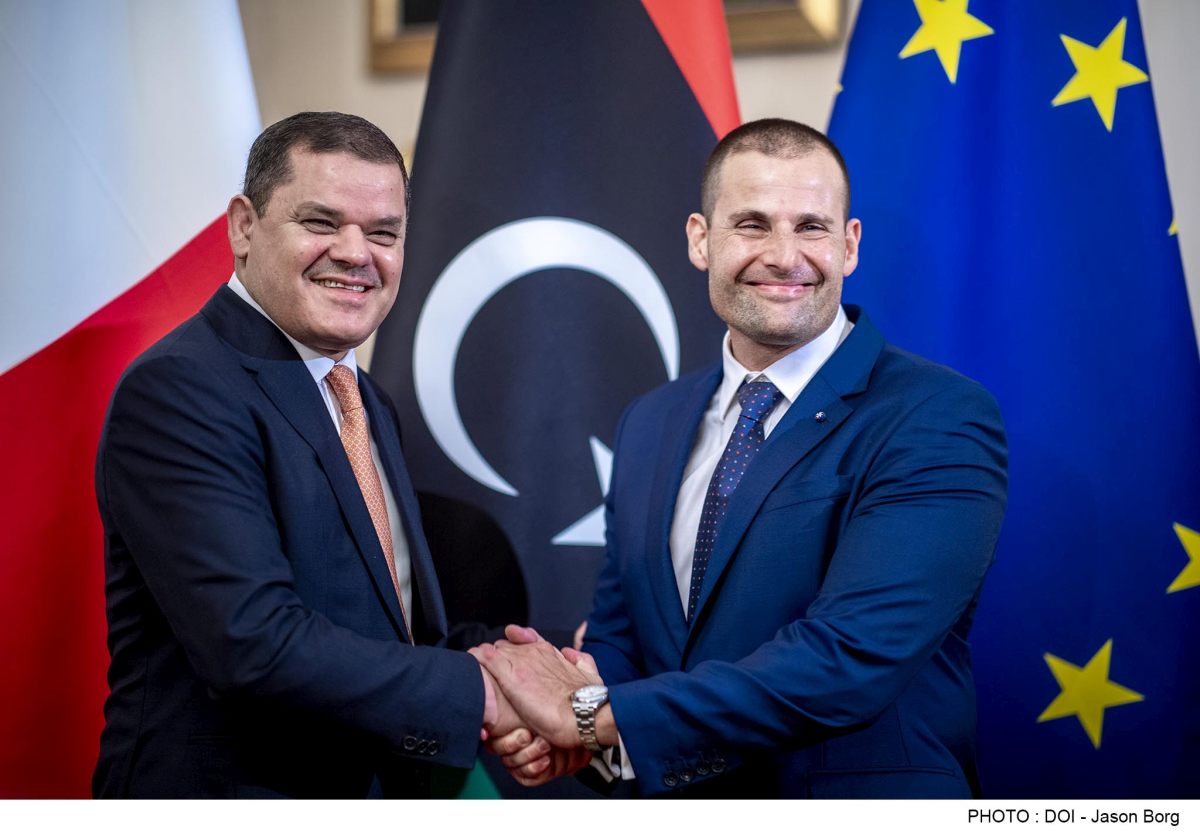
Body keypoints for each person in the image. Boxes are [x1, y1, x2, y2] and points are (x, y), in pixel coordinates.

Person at [475, 119, 1009, 798]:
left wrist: (589, 718)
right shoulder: (651, 421)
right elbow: (623, 635)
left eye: (811, 227)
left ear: (849, 245)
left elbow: (850, 658)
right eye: (752, 225)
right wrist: (574, 721)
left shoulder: (937, 415)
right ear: (701, 239)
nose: (784, 256)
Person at [92, 112, 541, 798]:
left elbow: (389, 630)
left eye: (383, 233)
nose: (356, 253)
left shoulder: (363, 398)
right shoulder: (180, 389)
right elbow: (253, 644)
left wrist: (528, 667)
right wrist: (483, 692)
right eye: (321, 222)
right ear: (244, 226)